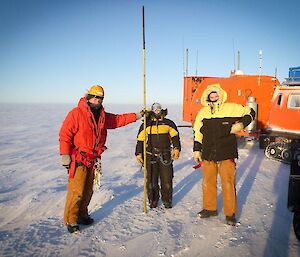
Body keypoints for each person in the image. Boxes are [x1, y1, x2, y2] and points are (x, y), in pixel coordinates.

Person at [59, 85, 144, 233]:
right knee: (76, 191)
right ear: (88, 96)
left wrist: (137, 115)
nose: (97, 100)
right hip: (79, 158)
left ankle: (82, 214)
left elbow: (118, 120)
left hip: (93, 159)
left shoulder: (103, 116)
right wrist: (65, 155)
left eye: (100, 98)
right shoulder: (76, 113)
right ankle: (71, 219)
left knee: (88, 190)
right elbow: (65, 134)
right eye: (95, 97)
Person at [193, 84, 255, 225]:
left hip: (226, 151)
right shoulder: (203, 112)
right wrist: (197, 149)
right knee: (208, 182)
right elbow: (197, 132)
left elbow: (251, 112)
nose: (214, 98)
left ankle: (230, 213)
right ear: (207, 97)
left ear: (220, 95)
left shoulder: (231, 108)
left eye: (216, 95)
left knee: (228, 182)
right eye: (211, 96)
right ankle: (209, 208)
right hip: (208, 152)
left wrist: (241, 125)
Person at [135, 103, 181, 209]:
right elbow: (140, 140)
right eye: (154, 110)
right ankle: (153, 200)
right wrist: (138, 153)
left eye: (158, 109)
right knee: (151, 181)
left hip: (165, 155)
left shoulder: (169, 123)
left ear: (161, 110)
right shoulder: (146, 124)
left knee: (167, 180)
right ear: (151, 111)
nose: (156, 111)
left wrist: (177, 148)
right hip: (150, 156)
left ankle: (167, 200)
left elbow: (175, 137)